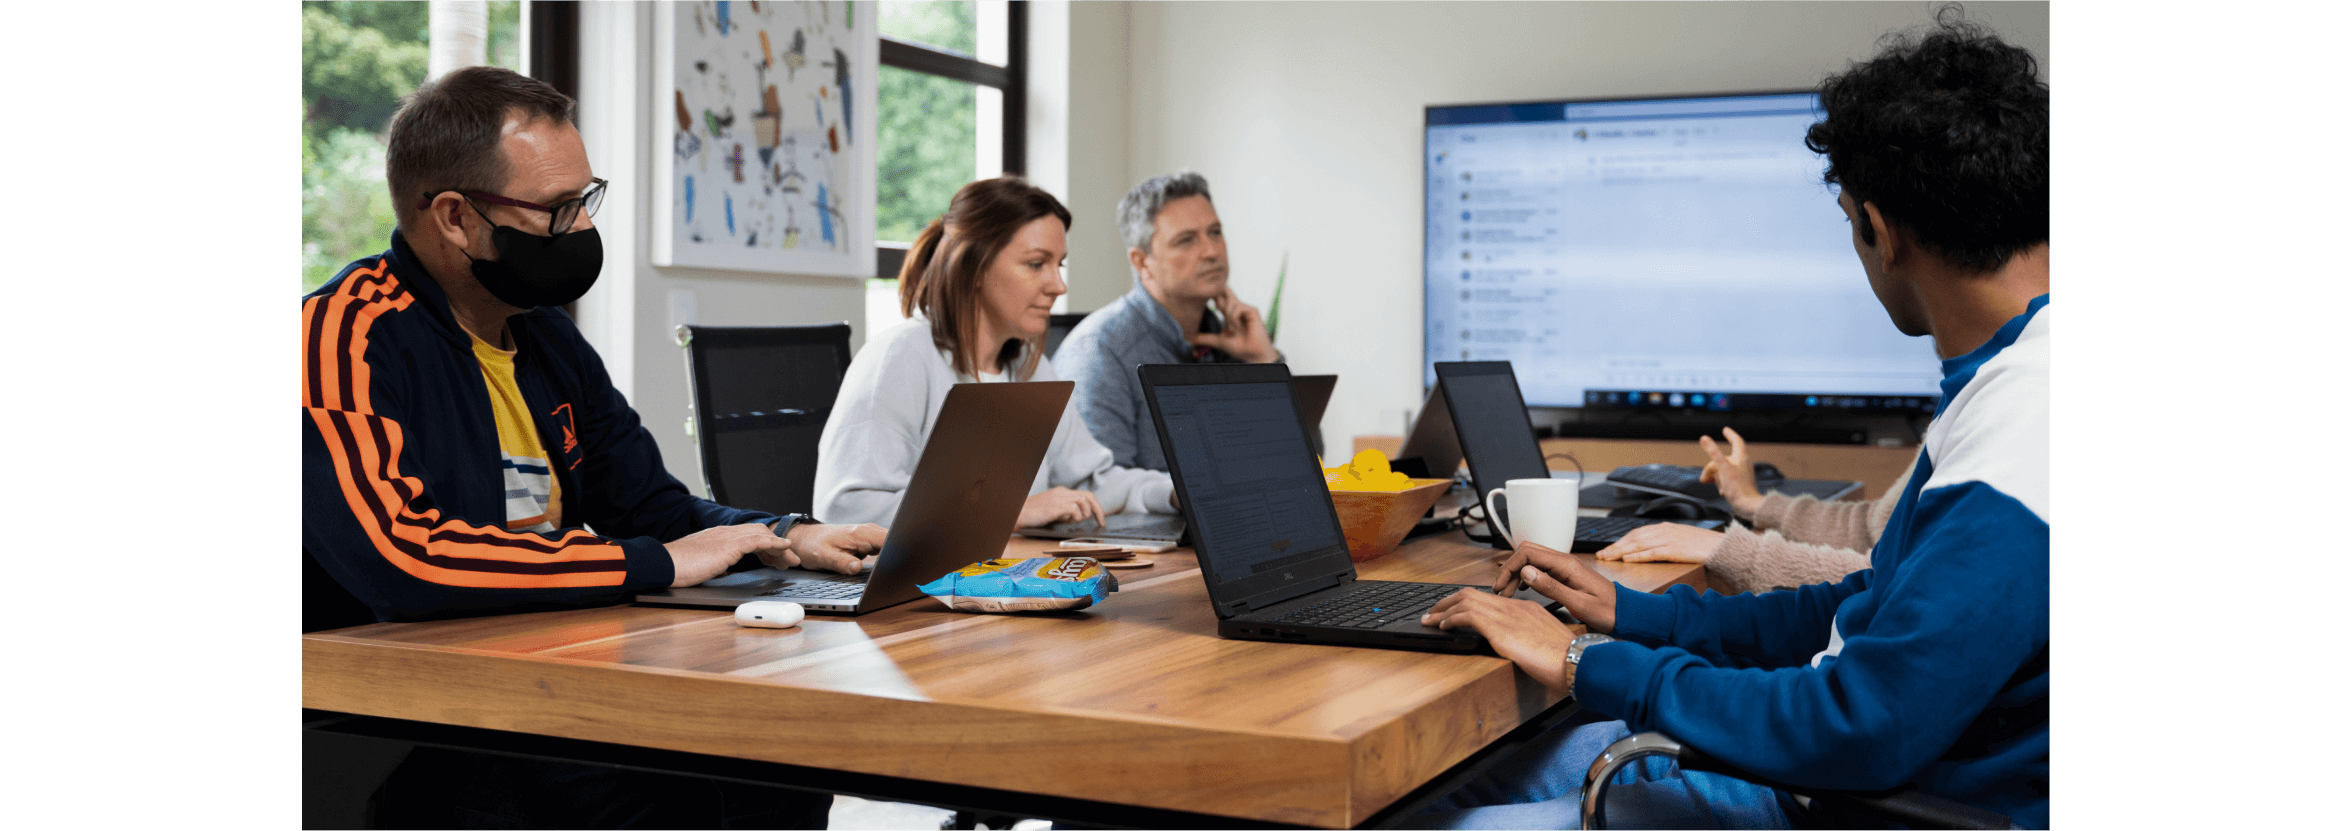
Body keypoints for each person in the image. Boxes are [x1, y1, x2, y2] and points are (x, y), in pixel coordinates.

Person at [1413, 11, 2049, 829]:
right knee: (1455, 784)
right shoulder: (2005, 380)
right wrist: (1636, 614)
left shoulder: (2019, 434)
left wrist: (1583, 659)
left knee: (1455, 819)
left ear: (1878, 231)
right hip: (1840, 765)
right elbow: (1869, 607)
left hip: (1848, 799)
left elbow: (1861, 723)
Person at [301, 65, 882, 829]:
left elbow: (654, 505)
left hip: (539, 665)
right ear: (453, 217)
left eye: (586, 200)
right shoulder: (343, 336)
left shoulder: (546, 335)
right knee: (664, 791)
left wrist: (784, 535)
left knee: (783, 755)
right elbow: (404, 558)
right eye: (558, 209)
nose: (581, 229)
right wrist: (652, 561)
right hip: (397, 713)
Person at [813, 176, 1178, 529]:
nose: (1058, 285)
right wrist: (1008, 511)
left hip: (1005, 579)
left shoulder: (1032, 369)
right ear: (975, 266)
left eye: (1059, 264)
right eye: (1036, 264)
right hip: (921, 590)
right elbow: (847, 511)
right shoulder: (900, 357)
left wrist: (1177, 493)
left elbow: (1090, 483)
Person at [1055, 171, 1284, 472]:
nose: (1212, 252)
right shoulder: (1099, 352)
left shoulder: (1234, 340)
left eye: (1215, 232)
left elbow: (1307, 464)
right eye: (1186, 240)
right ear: (1141, 261)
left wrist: (1264, 361)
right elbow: (1100, 494)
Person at [1593, 426, 1916, 596]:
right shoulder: (1958, 398)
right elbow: (1880, 525)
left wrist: (1726, 549)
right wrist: (1755, 504)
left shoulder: (1966, 422)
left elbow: (1892, 581)